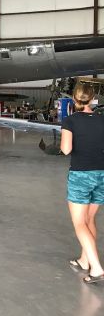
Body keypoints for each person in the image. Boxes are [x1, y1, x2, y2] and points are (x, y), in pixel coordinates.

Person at [60, 84, 104, 284]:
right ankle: (84, 260)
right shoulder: (102, 119)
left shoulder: (70, 120)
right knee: (89, 220)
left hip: (81, 175)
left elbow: (66, 150)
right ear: (93, 98)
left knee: (79, 223)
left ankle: (96, 268)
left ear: (74, 99)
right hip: (101, 174)